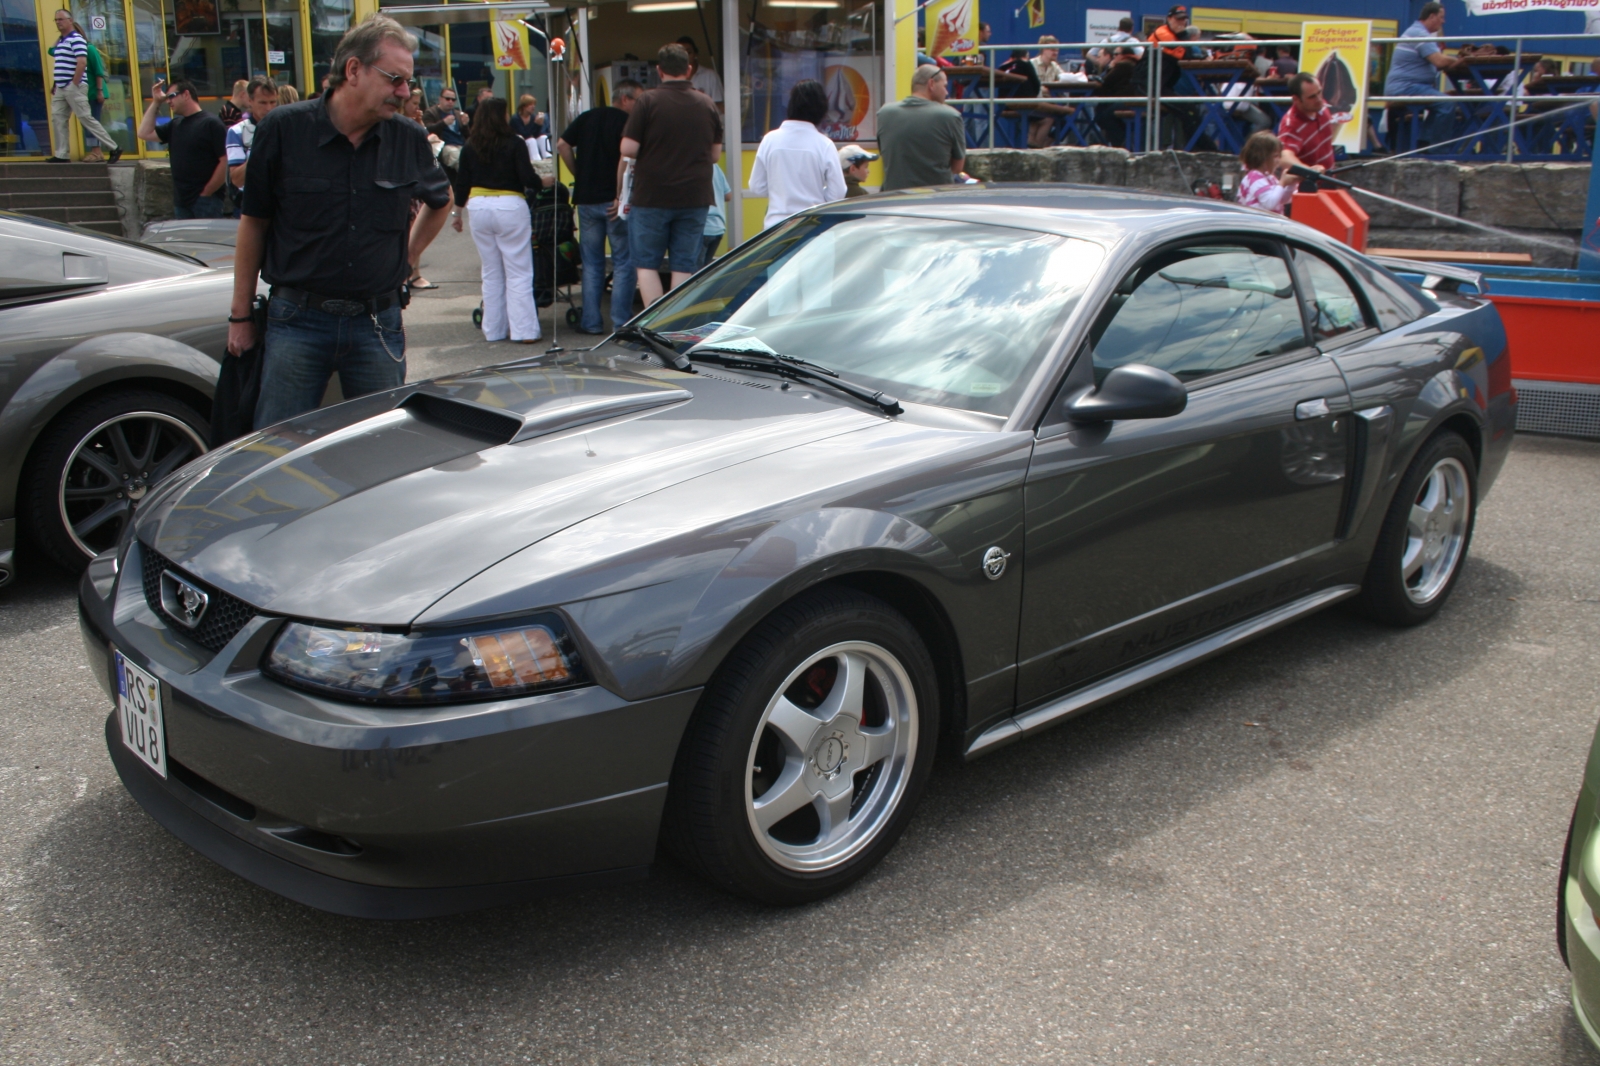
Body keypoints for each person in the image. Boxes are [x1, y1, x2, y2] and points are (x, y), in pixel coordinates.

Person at [230, 14, 452, 428]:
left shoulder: (406, 137)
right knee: (277, 448)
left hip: (377, 323)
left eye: (407, 82)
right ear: (353, 70)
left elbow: (441, 201)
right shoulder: (283, 129)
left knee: (382, 450)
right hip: (297, 321)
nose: (404, 93)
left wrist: (408, 257)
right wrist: (240, 316)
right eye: (394, 79)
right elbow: (253, 223)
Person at [618, 43, 723, 305]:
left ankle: (654, 327)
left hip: (651, 195)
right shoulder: (706, 103)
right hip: (694, 197)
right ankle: (674, 327)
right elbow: (714, 156)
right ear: (688, 69)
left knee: (646, 263)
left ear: (659, 70)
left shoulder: (648, 101)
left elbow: (628, 148)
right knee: (684, 266)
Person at [449, 97, 542, 343]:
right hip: (510, 206)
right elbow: (527, 176)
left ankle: (494, 329)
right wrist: (544, 182)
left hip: (478, 207)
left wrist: (457, 214)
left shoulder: (470, 145)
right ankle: (524, 331)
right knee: (518, 271)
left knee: (491, 271)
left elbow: (462, 183)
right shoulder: (515, 143)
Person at [557, 78, 641, 333]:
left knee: (592, 263)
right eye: (638, 100)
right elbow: (628, 159)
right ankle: (621, 322)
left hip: (586, 200)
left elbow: (562, 145)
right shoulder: (628, 124)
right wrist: (620, 194)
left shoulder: (586, 117)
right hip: (614, 202)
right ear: (625, 99)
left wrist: (579, 174)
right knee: (624, 262)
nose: (640, 106)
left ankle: (591, 323)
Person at [748, 79, 846, 230]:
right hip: (812, 226)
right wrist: (818, 196)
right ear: (821, 109)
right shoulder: (824, 144)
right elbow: (838, 192)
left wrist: (780, 191)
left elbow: (756, 186)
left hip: (775, 228)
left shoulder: (769, 140)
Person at [137, 79, 226, 217]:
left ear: (186, 94)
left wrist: (207, 191)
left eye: (171, 96)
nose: (168, 101)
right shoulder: (175, 125)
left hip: (206, 200)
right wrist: (156, 102)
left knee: (205, 238)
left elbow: (225, 160)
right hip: (182, 201)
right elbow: (144, 133)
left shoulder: (211, 123)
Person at [1384, 1, 1460, 149]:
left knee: (1442, 102)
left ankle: (1425, 141)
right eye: (1441, 17)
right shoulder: (1419, 34)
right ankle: (1434, 148)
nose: (1443, 21)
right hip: (1406, 87)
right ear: (1432, 16)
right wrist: (1460, 61)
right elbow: (1439, 61)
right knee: (1447, 103)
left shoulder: (1415, 31)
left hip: (1407, 86)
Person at [876, 65, 965, 191]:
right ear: (931, 84)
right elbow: (957, 167)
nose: (947, 92)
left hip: (893, 200)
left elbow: (886, 154)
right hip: (933, 200)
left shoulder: (884, 113)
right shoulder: (951, 116)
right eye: (944, 86)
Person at [47, 10, 118, 164]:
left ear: (70, 20)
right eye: (56, 20)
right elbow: (53, 55)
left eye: (61, 19)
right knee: (58, 118)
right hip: (61, 86)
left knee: (86, 118)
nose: (58, 22)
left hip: (73, 86)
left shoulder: (77, 39)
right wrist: (57, 84)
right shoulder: (62, 41)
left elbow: (82, 62)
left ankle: (113, 147)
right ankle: (62, 154)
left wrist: (74, 84)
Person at [225, 75, 277, 217]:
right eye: (263, 103)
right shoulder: (237, 131)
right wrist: (261, 150)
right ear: (250, 101)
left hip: (281, 202)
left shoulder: (286, 128)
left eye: (273, 102)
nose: (269, 108)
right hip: (251, 205)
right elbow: (236, 179)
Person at [1276, 72, 1341, 172]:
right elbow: (1284, 157)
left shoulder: (1322, 106)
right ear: (1296, 99)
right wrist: (1310, 171)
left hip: (1330, 178)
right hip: (1308, 185)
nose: (1319, 99)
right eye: (1312, 97)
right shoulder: (1291, 125)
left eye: (1319, 92)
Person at [1236, 130, 1298, 213]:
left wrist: (1291, 184)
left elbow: (1282, 199)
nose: (1278, 160)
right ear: (1263, 158)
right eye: (1275, 156)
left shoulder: (1269, 177)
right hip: (1256, 224)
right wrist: (1282, 183)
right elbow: (1269, 203)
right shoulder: (1254, 177)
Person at [1093, 47, 1140, 149]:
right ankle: (1122, 144)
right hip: (1131, 100)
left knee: (1104, 116)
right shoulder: (1134, 64)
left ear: (1123, 55)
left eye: (1116, 54)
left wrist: (1110, 68)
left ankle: (1120, 146)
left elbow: (1106, 83)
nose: (1113, 57)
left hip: (1126, 101)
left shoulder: (1124, 65)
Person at [677, 36, 724, 112]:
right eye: (680, 53)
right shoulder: (673, 77)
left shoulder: (710, 76)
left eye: (689, 52)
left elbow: (719, 106)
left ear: (695, 54)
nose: (685, 57)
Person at [700, 161, 730, 269]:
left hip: (702, 227)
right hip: (718, 227)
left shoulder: (690, 166)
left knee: (694, 274)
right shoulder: (715, 166)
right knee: (705, 272)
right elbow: (728, 195)